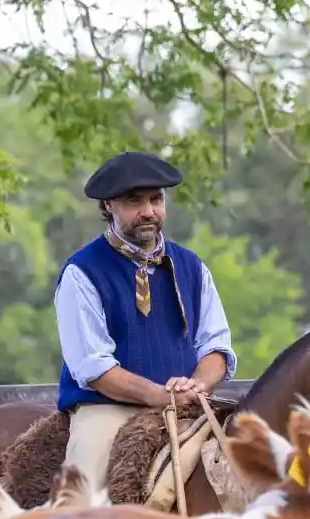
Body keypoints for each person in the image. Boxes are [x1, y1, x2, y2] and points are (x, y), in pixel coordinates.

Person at [54, 150, 237, 493]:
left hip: (188, 406)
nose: (149, 212)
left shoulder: (192, 266)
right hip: (108, 411)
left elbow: (216, 346)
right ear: (108, 205)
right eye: (134, 202)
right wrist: (161, 396)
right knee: (85, 487)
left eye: (156, 199)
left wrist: (195, 386)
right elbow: (94, 368)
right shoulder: (82, 273)